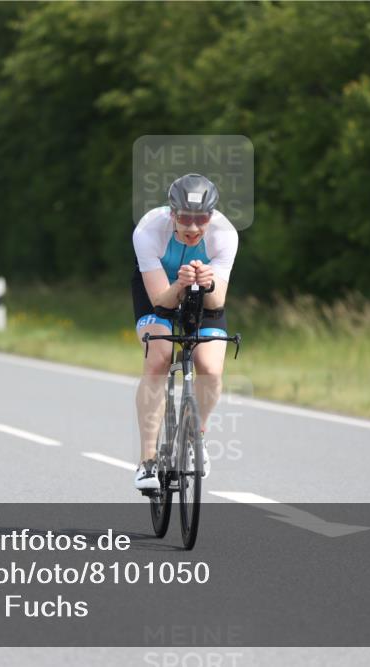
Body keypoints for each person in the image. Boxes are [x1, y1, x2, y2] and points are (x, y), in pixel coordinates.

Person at [131, 174, 238, 490]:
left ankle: (196, 436)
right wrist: (179, 284)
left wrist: (206, 282)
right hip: (159, 291)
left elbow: (217, 301)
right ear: (172, 213)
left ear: (212, 215)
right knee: (158, 358)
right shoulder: (148, 231)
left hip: (204, 291)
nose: (193, 227)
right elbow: (160, 302)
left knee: (210, 367)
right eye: (185, 218)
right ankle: (148, 460)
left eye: (201, 218)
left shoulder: (225, 234)